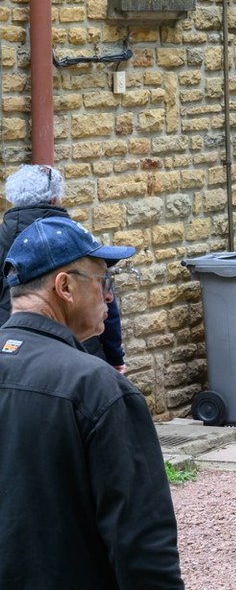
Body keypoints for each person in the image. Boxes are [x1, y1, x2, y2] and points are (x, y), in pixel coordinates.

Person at [0, 216, 183, 590]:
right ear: (64, 287)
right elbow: (142, 544)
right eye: (103, 281)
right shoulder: (97, 387)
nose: (109, 296)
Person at [0, 164, 124, 370]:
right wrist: (115, 356)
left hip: (12, 354)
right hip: (78, 350)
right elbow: (105, 299)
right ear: (53, 199)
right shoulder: (73, 238)